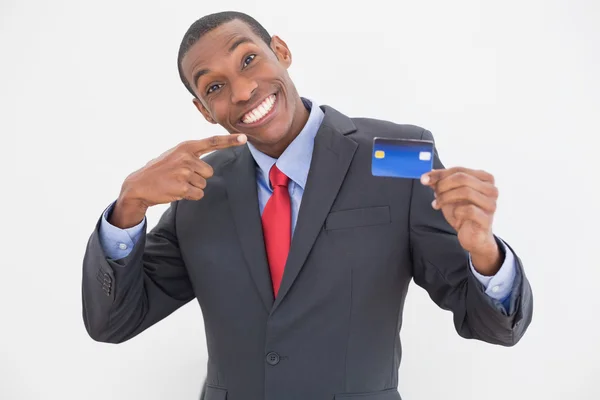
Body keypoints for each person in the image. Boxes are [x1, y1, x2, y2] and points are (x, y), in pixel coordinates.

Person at [81, 11, 533, 400]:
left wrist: (485, 254)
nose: (242, 91)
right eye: (215, 86)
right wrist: (129, 207)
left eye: (250, 59)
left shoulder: (395, 155)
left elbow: (492, 324)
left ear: (281, 50)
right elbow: (115, 322)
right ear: (203, 109)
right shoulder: (200, 188)